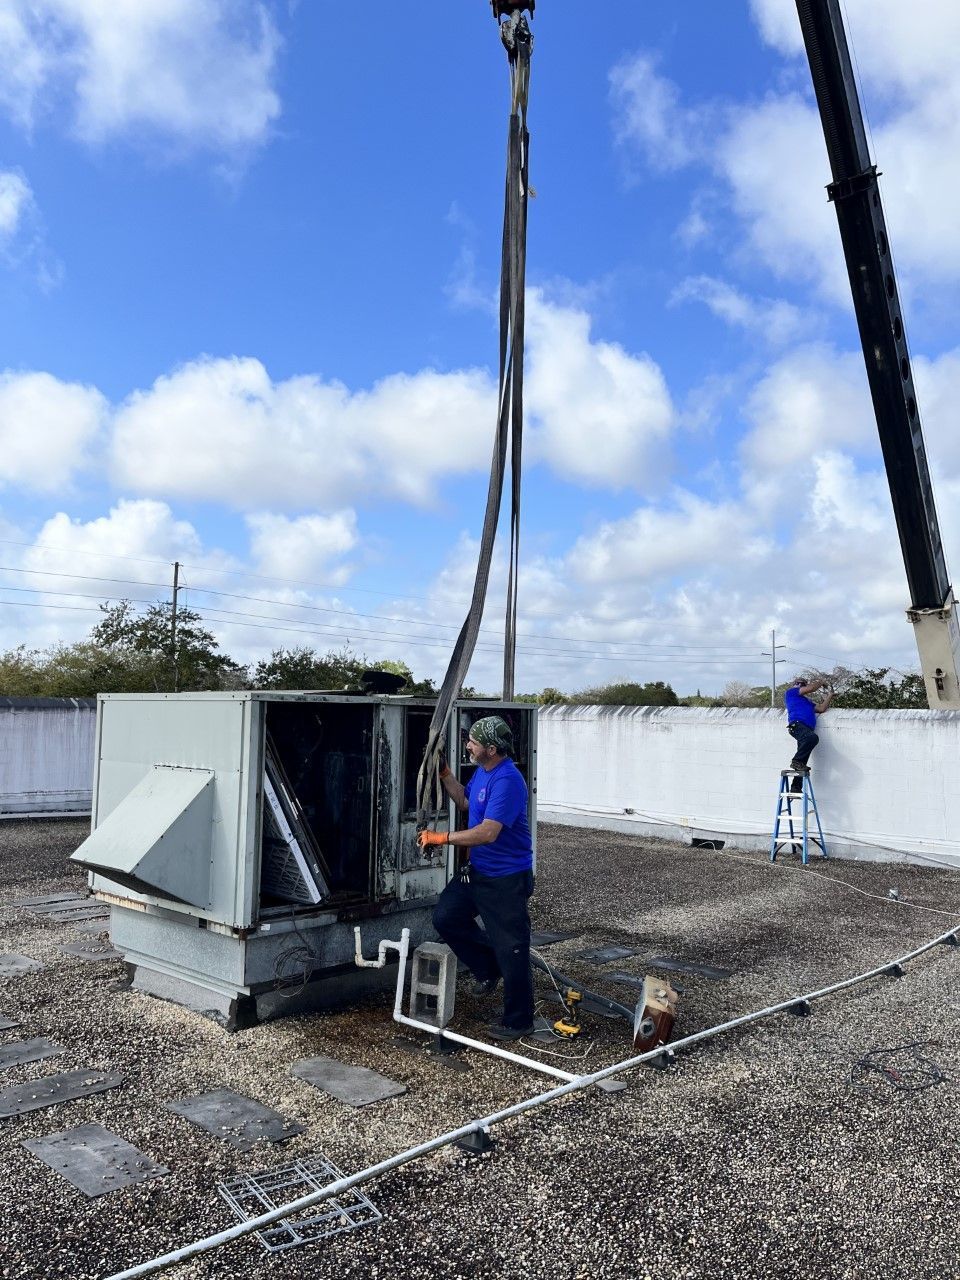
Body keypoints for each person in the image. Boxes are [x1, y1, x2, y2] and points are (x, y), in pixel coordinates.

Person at [417, 715, 535, 1042]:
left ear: (492, 749)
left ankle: (519, 1020)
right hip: (479, 873)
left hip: (505, 879)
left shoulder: (508, 780)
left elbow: (487, 833)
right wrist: (445, 775)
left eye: (473, 742)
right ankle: (489, 968)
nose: (467, 745)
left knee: (512, 948)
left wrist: (441, 838)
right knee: (446, 917)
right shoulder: (483, 773)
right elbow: (468, 803)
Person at [784, 676, 833, 780]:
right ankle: (796, 761)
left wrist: (830, 696)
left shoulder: (807, 702)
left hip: (806, 729)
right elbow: (812, 688)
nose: (800, 685)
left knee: (802, 765)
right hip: (797, 725)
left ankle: (796, 788)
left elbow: (821, 708)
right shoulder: (791, 692)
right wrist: (822, 681)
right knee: (812, 738)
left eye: (802, 683)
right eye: (799, 683)